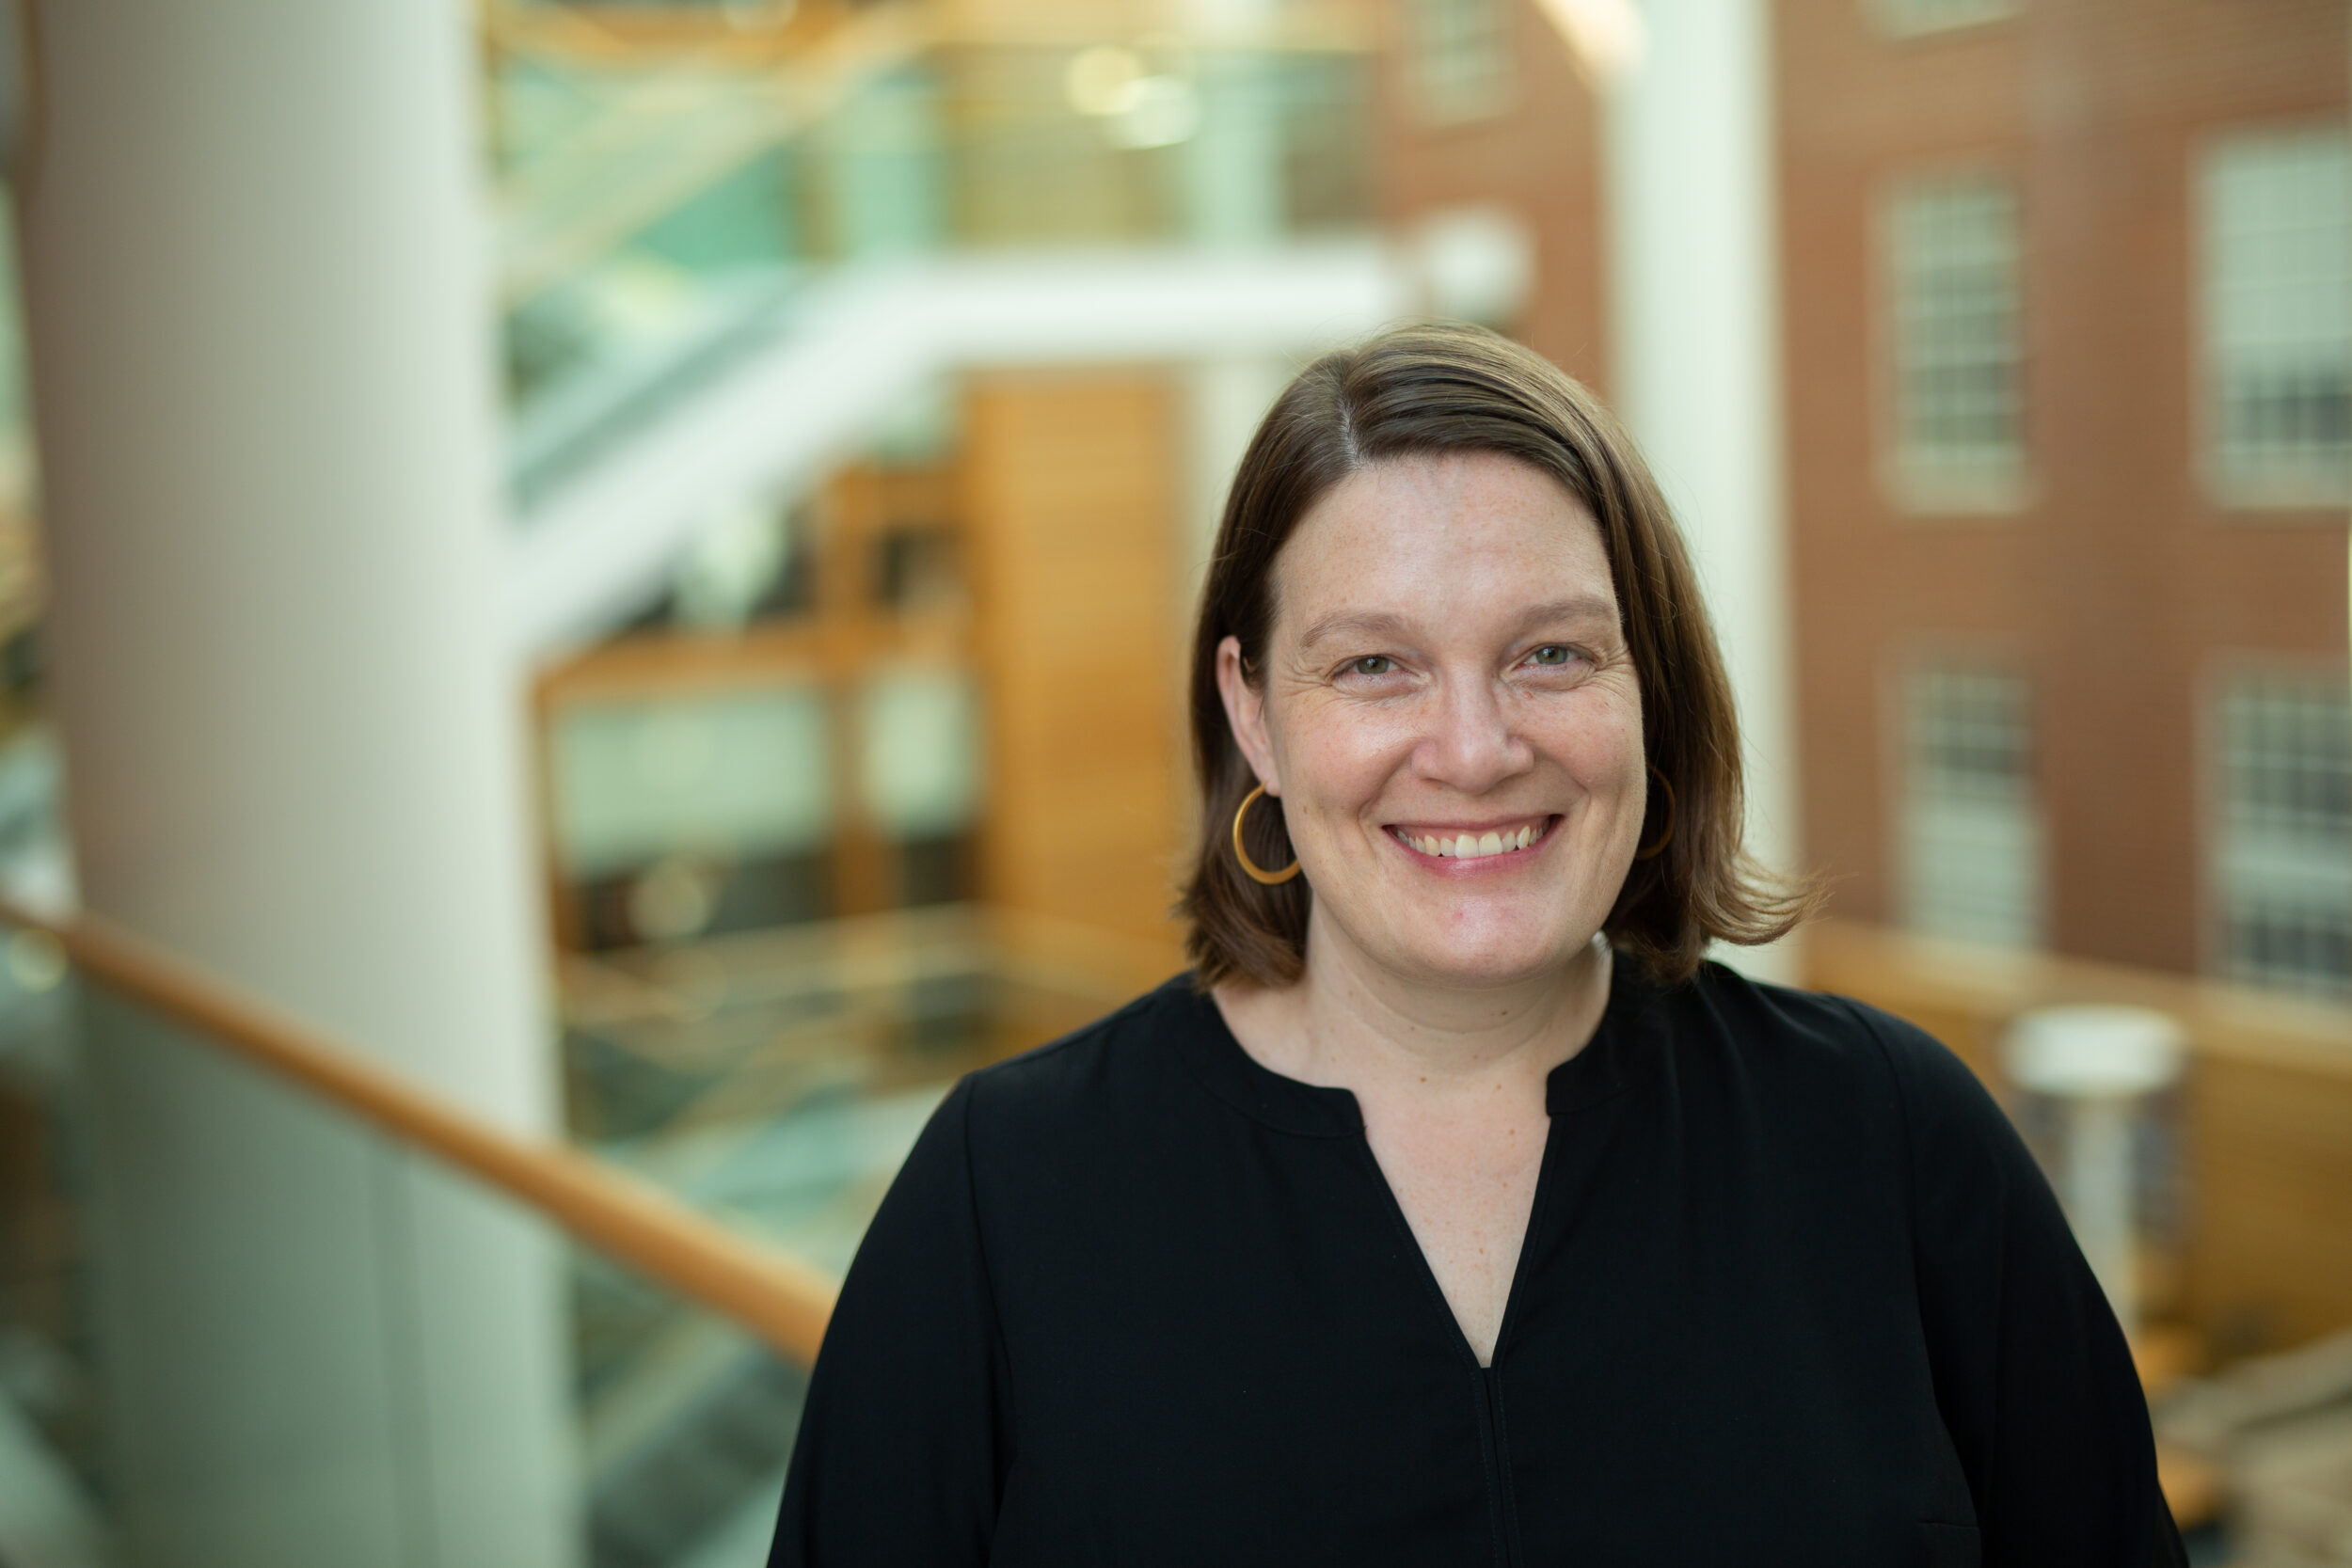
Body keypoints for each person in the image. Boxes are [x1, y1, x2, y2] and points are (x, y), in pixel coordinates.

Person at [768, 325, 2184, 1565]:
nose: (1474, 749)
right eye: (1374, 664)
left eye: (1551, 653)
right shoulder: (1005, 1197)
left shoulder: (1888, 1137)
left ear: (1651, 687)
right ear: (1253, 710)